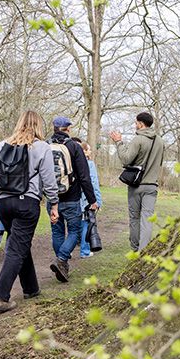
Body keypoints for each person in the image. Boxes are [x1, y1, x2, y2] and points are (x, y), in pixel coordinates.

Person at [0, 111, 59, 313]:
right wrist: (54, 204)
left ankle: (31, 288)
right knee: (17, 246)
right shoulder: (42, 147)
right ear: (38, 126)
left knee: (19, 242)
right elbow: (49, 180)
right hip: (26, 203)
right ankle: (1, 297)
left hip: (4, 203)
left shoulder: (4, 145)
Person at [48, 117, 98, 282]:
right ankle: (61, 259)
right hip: (72, 197)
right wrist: (92, 199)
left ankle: (62, 266)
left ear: (54, 128)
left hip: (52, 198)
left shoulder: (46, 146)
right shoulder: (74, 147)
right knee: (75, 231)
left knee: (57, 231)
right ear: (68, 129)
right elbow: (84, 176)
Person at [109, 111, 165, 252]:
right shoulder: (160, 141)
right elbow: (159, 163)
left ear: (141, 124)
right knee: (147, 219)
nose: (135, 125)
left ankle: (135, 249)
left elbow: (126, 159)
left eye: (136, 123)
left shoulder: (138, 139)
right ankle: (143, 251)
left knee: (134, 218)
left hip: (136, 185)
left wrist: (118, 142)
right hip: (152, 186)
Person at [75, 139, 103, 258]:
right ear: (84, 151)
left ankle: (68, 251)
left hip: (74, 198)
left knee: (75, 225)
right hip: (86, 198)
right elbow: (93, 183)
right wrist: (97, 201)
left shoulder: (73, 163)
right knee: (86, 223)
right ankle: (85, 251)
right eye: (89, 149)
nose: (91, 152)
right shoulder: (89, 164)